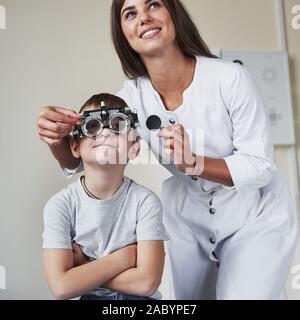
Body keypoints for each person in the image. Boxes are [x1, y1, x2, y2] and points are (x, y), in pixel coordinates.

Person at [37, 0, 298, 299]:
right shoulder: (131, 100)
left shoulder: (230, 78)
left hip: (256, 213)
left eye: (154, 5)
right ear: (123, 31)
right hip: (188, 215)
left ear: (173, 13)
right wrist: (56, 138)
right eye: (130, 13)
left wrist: (195, 163)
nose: (144, 18)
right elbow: (88, 159)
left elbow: (260, 166)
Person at [42, 93, 169, 300]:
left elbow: (147, 283)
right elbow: (61, 287)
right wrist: (125, 258)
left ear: (134, 149)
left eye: (118, 125)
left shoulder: (145, 202)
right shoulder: (61, 206)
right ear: (75, 146)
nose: (106, 134)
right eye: (92, 127)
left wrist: (83, 267)